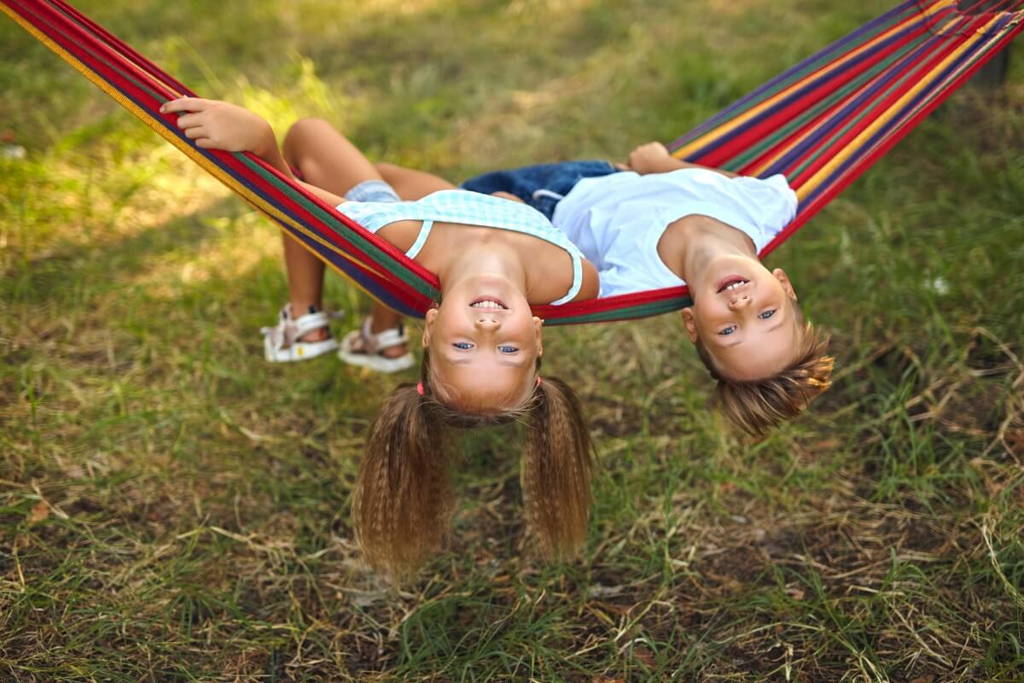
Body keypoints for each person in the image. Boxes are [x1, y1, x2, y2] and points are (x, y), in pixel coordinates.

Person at [159, 97, 597, 577]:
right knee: (385, 169)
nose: (486, 329)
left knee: (306, 134)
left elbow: (296, 203)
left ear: (430, 328)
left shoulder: (396, 232)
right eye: (508, 350)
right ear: (537, 336)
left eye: (463, 347)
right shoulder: (572, 279)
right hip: (476, 205)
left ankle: (306, 317)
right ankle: (380, 334)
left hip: (418, 222)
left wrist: (261, 141)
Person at [362, 142, 834, 438]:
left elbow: (544, 280)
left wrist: (511, 220)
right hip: (610, 172)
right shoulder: (771, 208)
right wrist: (660, 163)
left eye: (729, 330)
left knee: (390, 191)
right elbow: (701, 174)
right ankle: (382, 327)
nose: (741, 305)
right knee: (384, 190)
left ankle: (384, 322)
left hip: (538, 201)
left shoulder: (638, 282)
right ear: (784, 285)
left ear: (692, 324)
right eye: (767, 316)